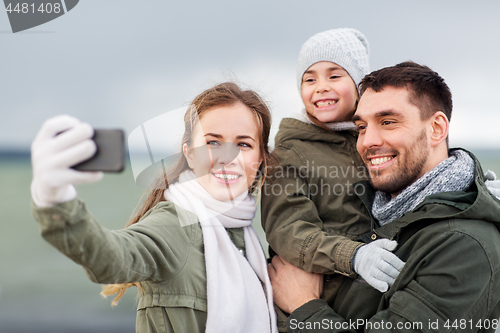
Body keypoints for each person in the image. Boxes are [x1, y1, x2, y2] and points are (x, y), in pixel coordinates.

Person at [268, 61, 500, 332]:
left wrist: (302, 306)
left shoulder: (464, 245)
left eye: (388, 122)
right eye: (361, 127)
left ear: (437, 128)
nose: (367, 142)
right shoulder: (376, 209)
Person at [30, 82, 278, 333]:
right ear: (190, 154)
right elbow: (111, 258)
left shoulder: (248, 239)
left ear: (260, 159)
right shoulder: (175, 224)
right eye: (213, 142)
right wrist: (54, 197)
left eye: (244, 144)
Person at [261, 28, 405, 331]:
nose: (320, 88)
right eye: (309, 79)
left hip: (376, 300)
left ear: (359, 84)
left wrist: (470, 184)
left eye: (334, 76)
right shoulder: (290, 154)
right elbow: (288, 231)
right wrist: (354, 257)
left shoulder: (371, 140)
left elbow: (416, 170)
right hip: (316, 307)